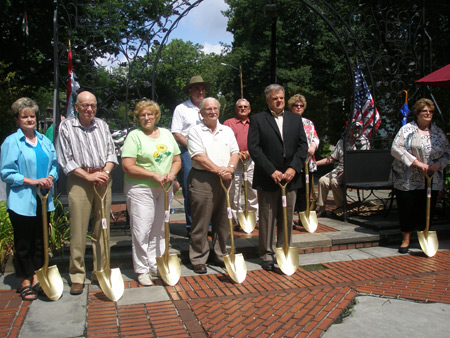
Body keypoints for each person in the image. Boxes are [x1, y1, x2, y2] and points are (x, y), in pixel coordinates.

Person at [57, 91, 118, 295]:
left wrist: (105, 172)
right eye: (85, 106)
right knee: (78, 229)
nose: (89, 109)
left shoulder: (102, 125)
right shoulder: (66, 127)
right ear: (76, 107)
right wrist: (88, 176)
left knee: (102, 228)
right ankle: (77, 275)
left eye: (92, 105)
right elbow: (66, 159)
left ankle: (100, 271)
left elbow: (111, 152)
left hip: (102, 179)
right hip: (80, 180)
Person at [1, 97, 58, 301]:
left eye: (32, 116)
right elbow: (6, 173)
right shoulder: (12, 142)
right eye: (24, 116)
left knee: (40, 242)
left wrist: (50, 178)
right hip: (22, 201)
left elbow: (54, 165)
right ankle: (25, 280)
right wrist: (31, 181)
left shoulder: (44, 140)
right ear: (17, 119)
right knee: (24, 242)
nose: (29, 119)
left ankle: (38, 277)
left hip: (43, 201)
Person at [248, 84, 308, 271]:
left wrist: (293, 168)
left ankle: (284, 249)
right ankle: (266, 253)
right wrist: (271, 170)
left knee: (287, 216)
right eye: (275, 98)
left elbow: (302, 146)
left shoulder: (295, 119)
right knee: (267, 217)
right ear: (268, 100)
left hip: (290, 177)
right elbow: (254, 148)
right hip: (268, 177)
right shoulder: (258, 119)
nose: (279, 101)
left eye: (281, 97)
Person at [121, 100, 181, 286]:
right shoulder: (134, 136)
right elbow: (127, 166)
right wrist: (153, 175)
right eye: (142, 115)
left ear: (156, 115)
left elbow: (177, 159)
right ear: (138, 118)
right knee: (142, 230)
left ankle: (156, 263)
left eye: (150, 114)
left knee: (161, 229)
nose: (147, 118)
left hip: (164, 188)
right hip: (141, 188)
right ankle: (142, 269)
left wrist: (171, 174)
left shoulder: (166, 133)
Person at [187, 97, 239, 274]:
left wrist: (230, 169)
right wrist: (219, 170)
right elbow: (198, 156)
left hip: (226, 179)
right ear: (201, 112)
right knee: (201, 221)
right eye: (208, 109)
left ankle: (220, 254)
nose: (212, 111)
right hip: (203, 179)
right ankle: (198, 258)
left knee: (224, 221)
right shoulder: (195, 131)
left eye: (215, 108)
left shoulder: (227, 130)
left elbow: (235, 152)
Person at [391, 98, 450, 253]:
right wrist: (417, 163)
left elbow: (447, 152)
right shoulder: (407, 130)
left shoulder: (438, 132)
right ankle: (406, 240)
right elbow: (396, 149)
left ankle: (423, 235)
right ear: (417, 113)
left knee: (427, 209)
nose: (428, 114)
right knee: (407, 208)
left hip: (431, 179)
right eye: (424, 111)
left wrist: (439, 164)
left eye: (430, 111)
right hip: (407, 179)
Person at [171, 76, 211, 236]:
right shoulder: (181, 109)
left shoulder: (209, 107)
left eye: (202, 88)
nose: (200, 91)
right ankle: (192, 226)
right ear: (189, 90)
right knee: (191, 189)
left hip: (209, 152)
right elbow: (176, 133)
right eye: (196, 88)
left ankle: (208, 224)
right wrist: (194, 147)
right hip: (189, 153)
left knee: (209, 188)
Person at [315, 121, 369, 217]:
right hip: (339, 169)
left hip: (355, 171)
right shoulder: (342, 142)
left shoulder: (363, 142)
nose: (356, 130)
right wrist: (314, 164)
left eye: (358, 128)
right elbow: (331, 159)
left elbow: (363, 162)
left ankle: (342, 208)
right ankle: (321, 209)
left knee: (335, 182)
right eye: (353, 128)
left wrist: (348, 171)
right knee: (322, 180)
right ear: (348, 129)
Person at [223, 98, 258, 228]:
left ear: (249, 109)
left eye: (245, 107)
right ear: (235, 109)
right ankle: (235, 219)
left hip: (250, 159)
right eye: (240, 107)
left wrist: (249, 152)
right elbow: (224, 141)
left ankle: (254, 217)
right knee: (234, 189)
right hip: (233, 160)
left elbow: (259, 140)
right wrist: (237, 153)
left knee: (252, 188)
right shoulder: (228, 123)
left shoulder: (254, 123)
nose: (242, 109)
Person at [288, 94, 319, 218]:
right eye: (296, 105)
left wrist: (313, 146)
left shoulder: (308, 123)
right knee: (292, 191)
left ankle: (303, 216)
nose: (299, 107)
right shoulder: (287, 121)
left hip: (307, 162)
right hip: (293, 163)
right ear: (291, 107)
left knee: (305, 191)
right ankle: (289, 217)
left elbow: (315, 137)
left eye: (301, 105)